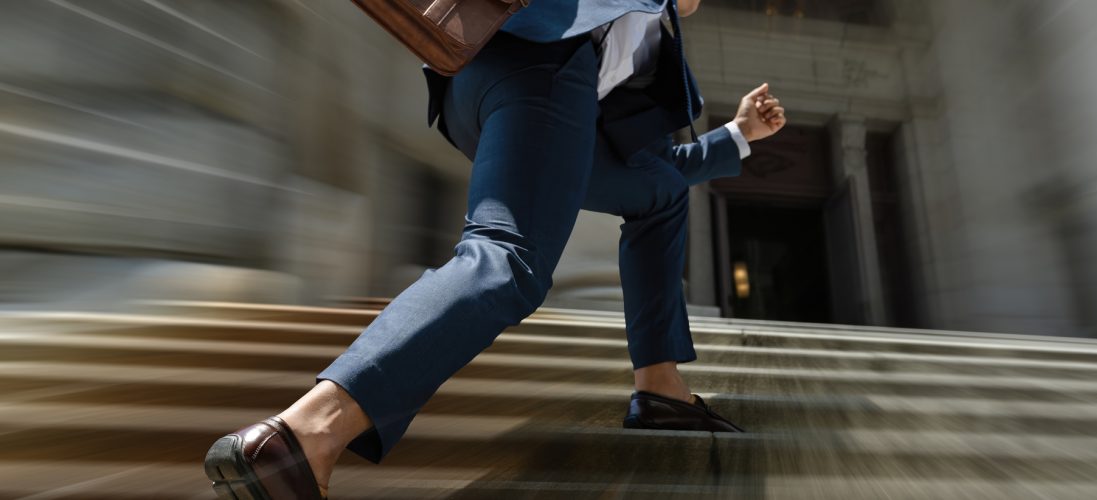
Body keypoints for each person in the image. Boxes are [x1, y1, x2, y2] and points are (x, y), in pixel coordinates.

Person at [204, 1, 787, 498]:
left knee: (660, 199)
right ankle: (303, 434)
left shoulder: (650, 43)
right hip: (532, 62)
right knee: (507, 259)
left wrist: (738, 135)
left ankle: (660, 391)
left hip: (517, 83)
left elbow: (656, 169)